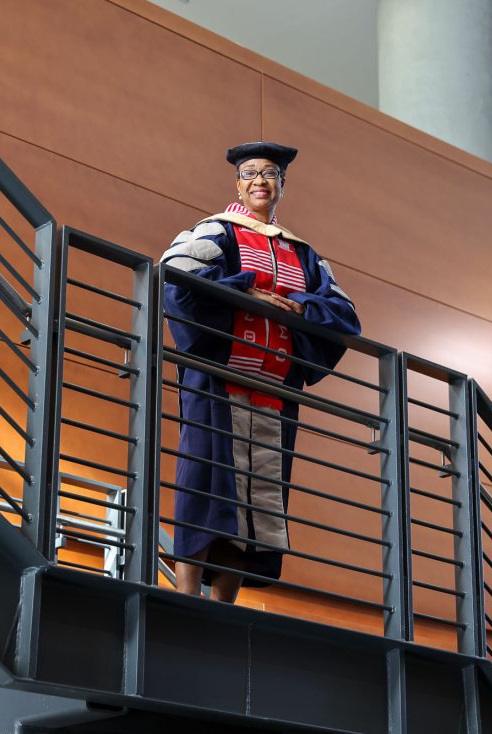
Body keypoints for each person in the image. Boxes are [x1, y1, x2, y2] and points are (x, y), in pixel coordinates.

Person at [161, 141, 361, 603]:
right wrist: (246, 290)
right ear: (237, 184)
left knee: (256, 501)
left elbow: (345, 314)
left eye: (270, 174)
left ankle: (224, 603)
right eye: (250, 173)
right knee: (206, 483)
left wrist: (301, 304)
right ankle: (187, 593)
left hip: (274, 393)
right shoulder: (216, 232)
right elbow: (176, 274)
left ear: (282, 186)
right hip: (219, 382)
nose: (259, 181)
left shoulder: (304, 254)